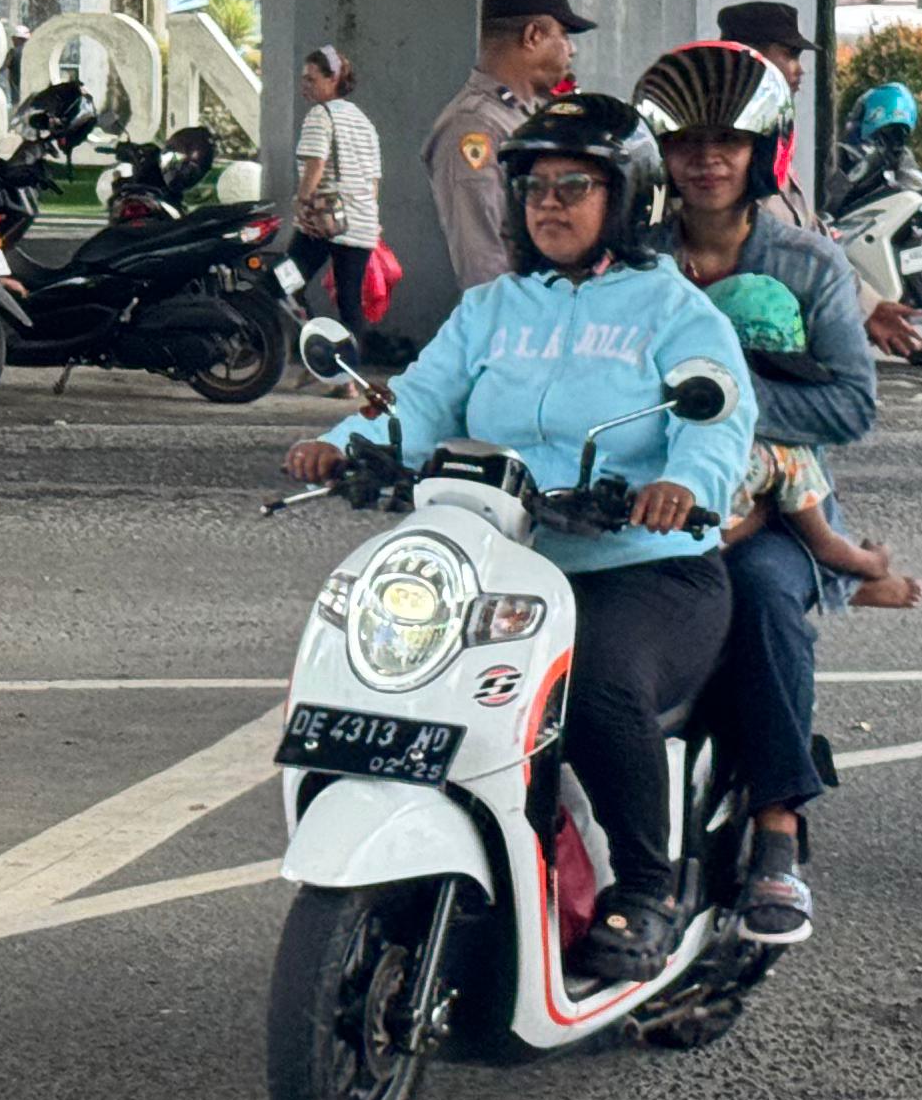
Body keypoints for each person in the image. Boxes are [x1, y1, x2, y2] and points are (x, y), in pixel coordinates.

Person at [290, 91, 751, 984]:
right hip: (501, 567)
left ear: (629, 197)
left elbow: (717, 417)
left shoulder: (676, 311)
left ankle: (645, 889)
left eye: (576, 184)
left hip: (644, 571)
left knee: (599, 680)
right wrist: (342, 449)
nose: (550, 202)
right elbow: (418, 406)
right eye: (534, 185)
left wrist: (680, 485)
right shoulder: (492, 308)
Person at [637, 40, 909, 951]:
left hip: (769, 506)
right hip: (642, 495)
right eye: (685, 143)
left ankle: (776, 833)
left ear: (762, 152)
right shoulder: (629, 263)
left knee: (759, 593)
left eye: (726, 141)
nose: (706, 159)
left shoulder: (811, 265)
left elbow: (851, 404)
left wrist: (725, 401)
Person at [425, 0, 587, 293]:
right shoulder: (474, 127)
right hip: (522, 327)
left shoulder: (526, 113)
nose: (572, 49)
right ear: (533, 36)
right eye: (564, 35)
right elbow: (483, 261)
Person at [288, 44, 383, 331]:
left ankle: (312, 341)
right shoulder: (363, 121)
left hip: (325, 222)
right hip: (362, 224)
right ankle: (347, 371)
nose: (304, 85)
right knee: (349, 301)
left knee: (283, 281)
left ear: (333, 80)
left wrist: (301, 202)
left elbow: (316, 165)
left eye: (311, 79)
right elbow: (374, 180)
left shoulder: (320, 115)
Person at [715, 1, 819, 226]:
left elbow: (803, 224)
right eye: (790, 55)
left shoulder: (773, 132)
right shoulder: (717, 133)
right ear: (750, 56)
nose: (800, 70)